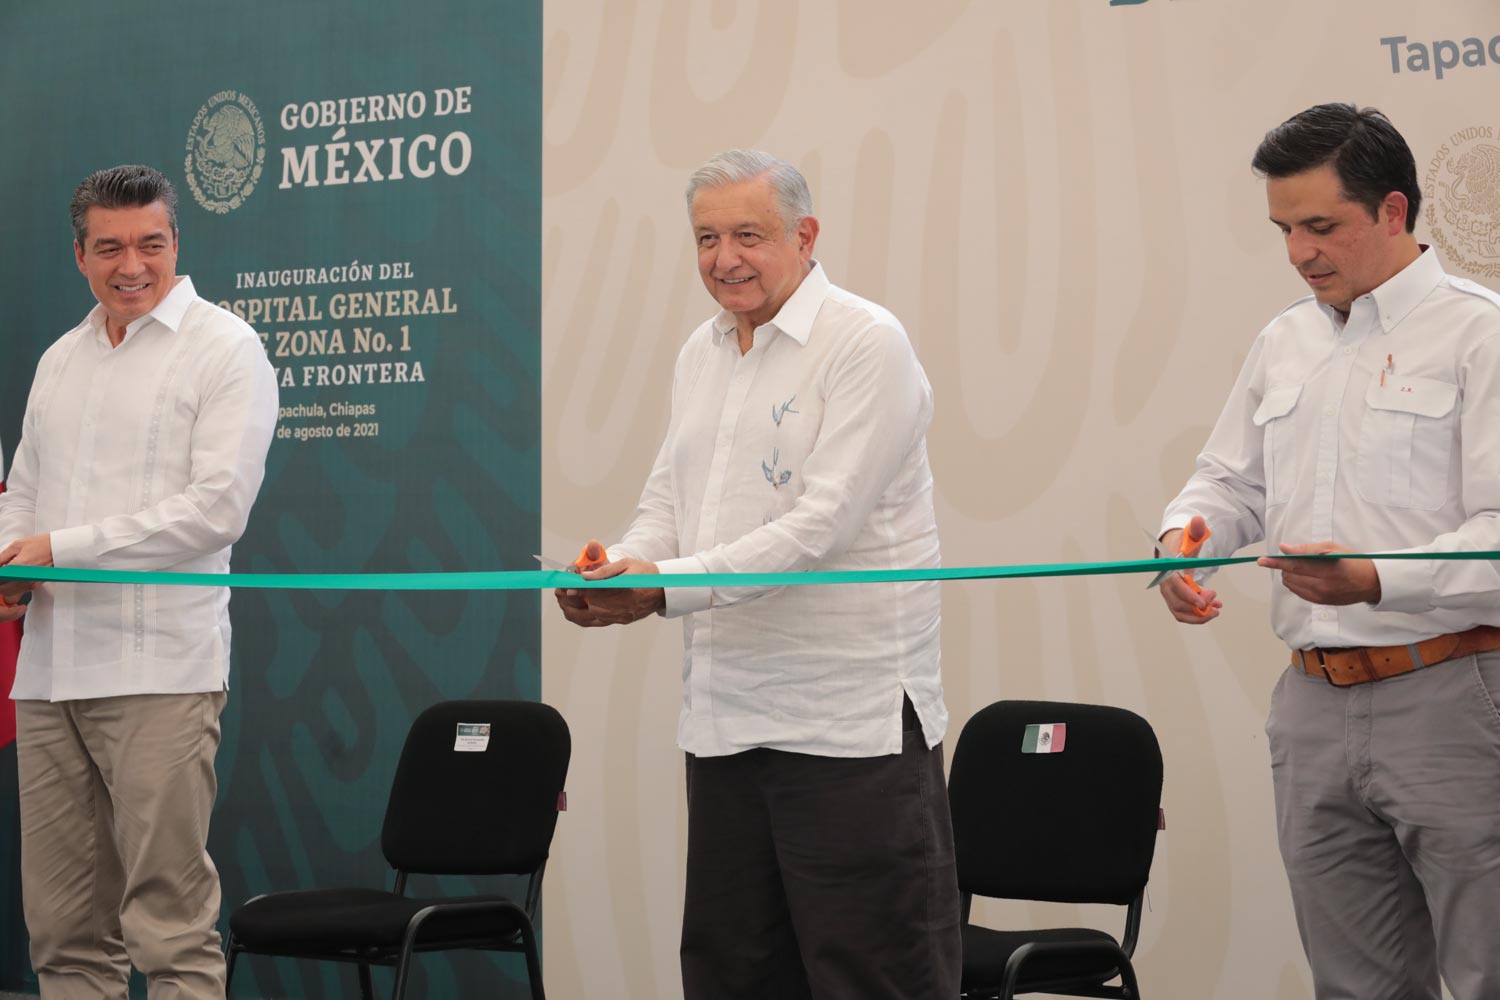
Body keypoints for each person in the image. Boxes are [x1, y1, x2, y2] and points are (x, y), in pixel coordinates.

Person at [555, 149, 960, 999]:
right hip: (725, 723)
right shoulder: (700, 353)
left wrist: (663, 586)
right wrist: (621, 570)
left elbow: (820, 529)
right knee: (732, 977)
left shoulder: (865, 341)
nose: (724, 258)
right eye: (706, 238)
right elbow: (670, 503)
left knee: (869, 979)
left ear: (805, 237)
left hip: (847, 732)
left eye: (749, 235)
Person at [1157, 104, 1500, 1000]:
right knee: (1354, 987)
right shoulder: (1286, 339)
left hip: (1456, 695)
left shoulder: (1481, 333)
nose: (1299, 253)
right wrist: (1181, 544)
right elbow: (1228, 484)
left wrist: (1376, 579)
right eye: (1283, 230)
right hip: (1312, 705)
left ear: (1393, 211)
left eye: (1320, 226)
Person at [0, 164, 278, 998]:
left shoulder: (226, 346)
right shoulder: (60, 359)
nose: (132, 266)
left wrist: (58, 551)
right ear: (80, 255)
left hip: (160, 671)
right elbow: (22, 492)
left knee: (169, 931)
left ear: (176, 244)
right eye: (110, 248)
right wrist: (12, 563)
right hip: (49, 672)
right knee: (63, 936)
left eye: (150, 244)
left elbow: (216, 510)